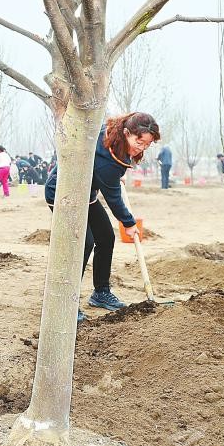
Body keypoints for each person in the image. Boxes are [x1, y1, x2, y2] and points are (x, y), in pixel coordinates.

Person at [45, 112, 160, 322]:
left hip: (85, 195)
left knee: (106, 237)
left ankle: (101, 293)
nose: (141, 148)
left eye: (147, 144)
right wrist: (129, 223)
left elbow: (105, 173)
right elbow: (113, 197)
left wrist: (114, 177)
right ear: (126, 132)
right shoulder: (108, 158)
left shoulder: (113, 137)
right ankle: (66, 302)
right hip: (62, 194)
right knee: (84, 243)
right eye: (139, 142)